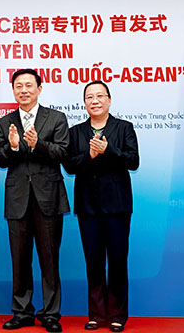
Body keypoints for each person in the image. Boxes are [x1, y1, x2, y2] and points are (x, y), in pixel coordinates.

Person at [0, 69, 70, 332]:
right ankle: (22, 311)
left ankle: (50, 314)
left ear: (39, 88)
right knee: (20, 259)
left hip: (48, 197)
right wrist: (13, 146)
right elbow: (0, 159)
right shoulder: (4, 123)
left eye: (28, 85)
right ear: (13, 90)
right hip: (17, 199)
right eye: (18, 86)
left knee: (49, 258)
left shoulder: (56, 118)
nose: (23, 90)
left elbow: (62, 152)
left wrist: (38, 144)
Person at [63, 81, 139, 332]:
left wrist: (109, 151)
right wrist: (90, 155)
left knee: (117, 262)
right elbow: (70, 166)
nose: (94, 101)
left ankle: (118, 315)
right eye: (89, 97)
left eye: (99, 96)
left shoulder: (124, 128)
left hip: (117, 207)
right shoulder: (75, 132)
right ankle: (96, 314)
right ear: (84, 103)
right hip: (88, 207)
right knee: (93, 262)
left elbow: (133, 161)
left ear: (109, 100)